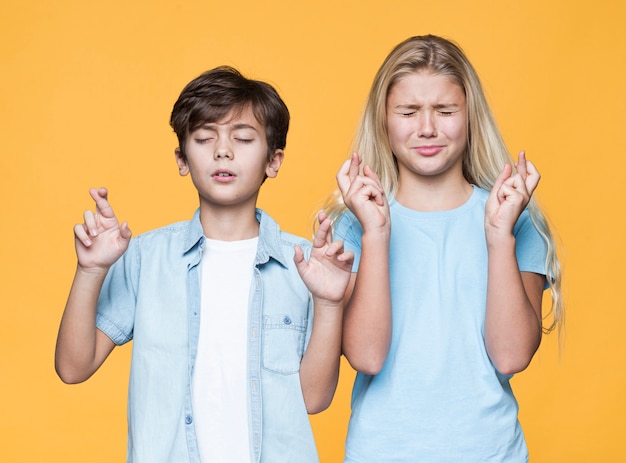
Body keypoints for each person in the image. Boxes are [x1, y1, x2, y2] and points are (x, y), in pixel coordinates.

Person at [55, 66, 353, 463]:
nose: (223, 151)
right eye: (204, 138)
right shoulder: (145, 258)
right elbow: (73, 368)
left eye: (243, 138)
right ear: (182, 159)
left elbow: (313, 400)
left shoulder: (305, 265)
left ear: (273, 160)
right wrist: (91, 271)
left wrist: (330, 303)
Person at [324, 35, 564, 462]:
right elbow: (366, 357)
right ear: (384, 119)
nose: (427, 128)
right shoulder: (355, 221)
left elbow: (510, 356)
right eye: (409, 111)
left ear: (470, 116)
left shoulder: (514, 217)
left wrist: (498, 236)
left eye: (446, 110)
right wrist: (376, 234)